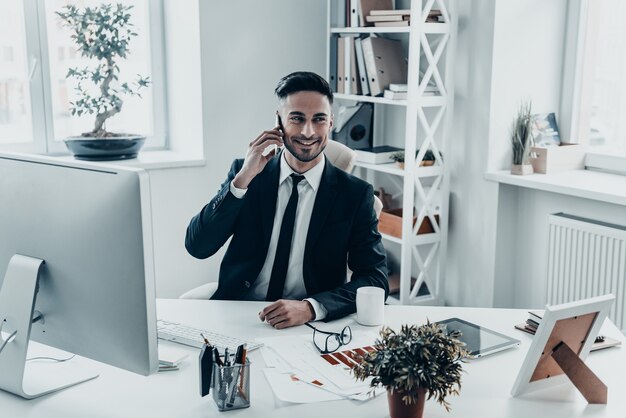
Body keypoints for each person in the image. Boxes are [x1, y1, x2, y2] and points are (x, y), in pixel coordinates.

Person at [185, 71, 388, 329]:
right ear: (278, 121)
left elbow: (374, 278)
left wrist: (312, 308)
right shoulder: (247, 175)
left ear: (331, 123)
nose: (308, 131)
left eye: (319, 119)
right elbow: (197, 246)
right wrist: (242, 180)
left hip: (310, 325)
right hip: (241, 315)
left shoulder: (355, 194)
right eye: (297, 118)